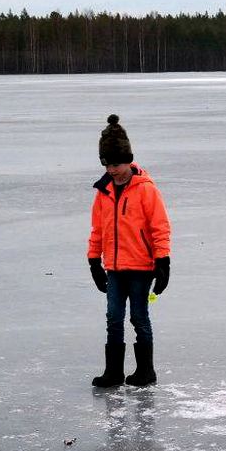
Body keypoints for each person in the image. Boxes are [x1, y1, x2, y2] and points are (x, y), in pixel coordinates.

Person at [88, 115, 172, 388]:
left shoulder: (146, 190)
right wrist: (93, 262)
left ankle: (146, 371)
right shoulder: (103, 192)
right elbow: (97, 230)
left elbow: (160, 227)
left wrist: (163, 261)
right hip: (113, 267)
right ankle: (113, 372)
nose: (112, 170)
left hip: (140, 267)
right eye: (107, 164)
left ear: (128, 160)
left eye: (116, 164)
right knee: (113, 318)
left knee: (138, 317)